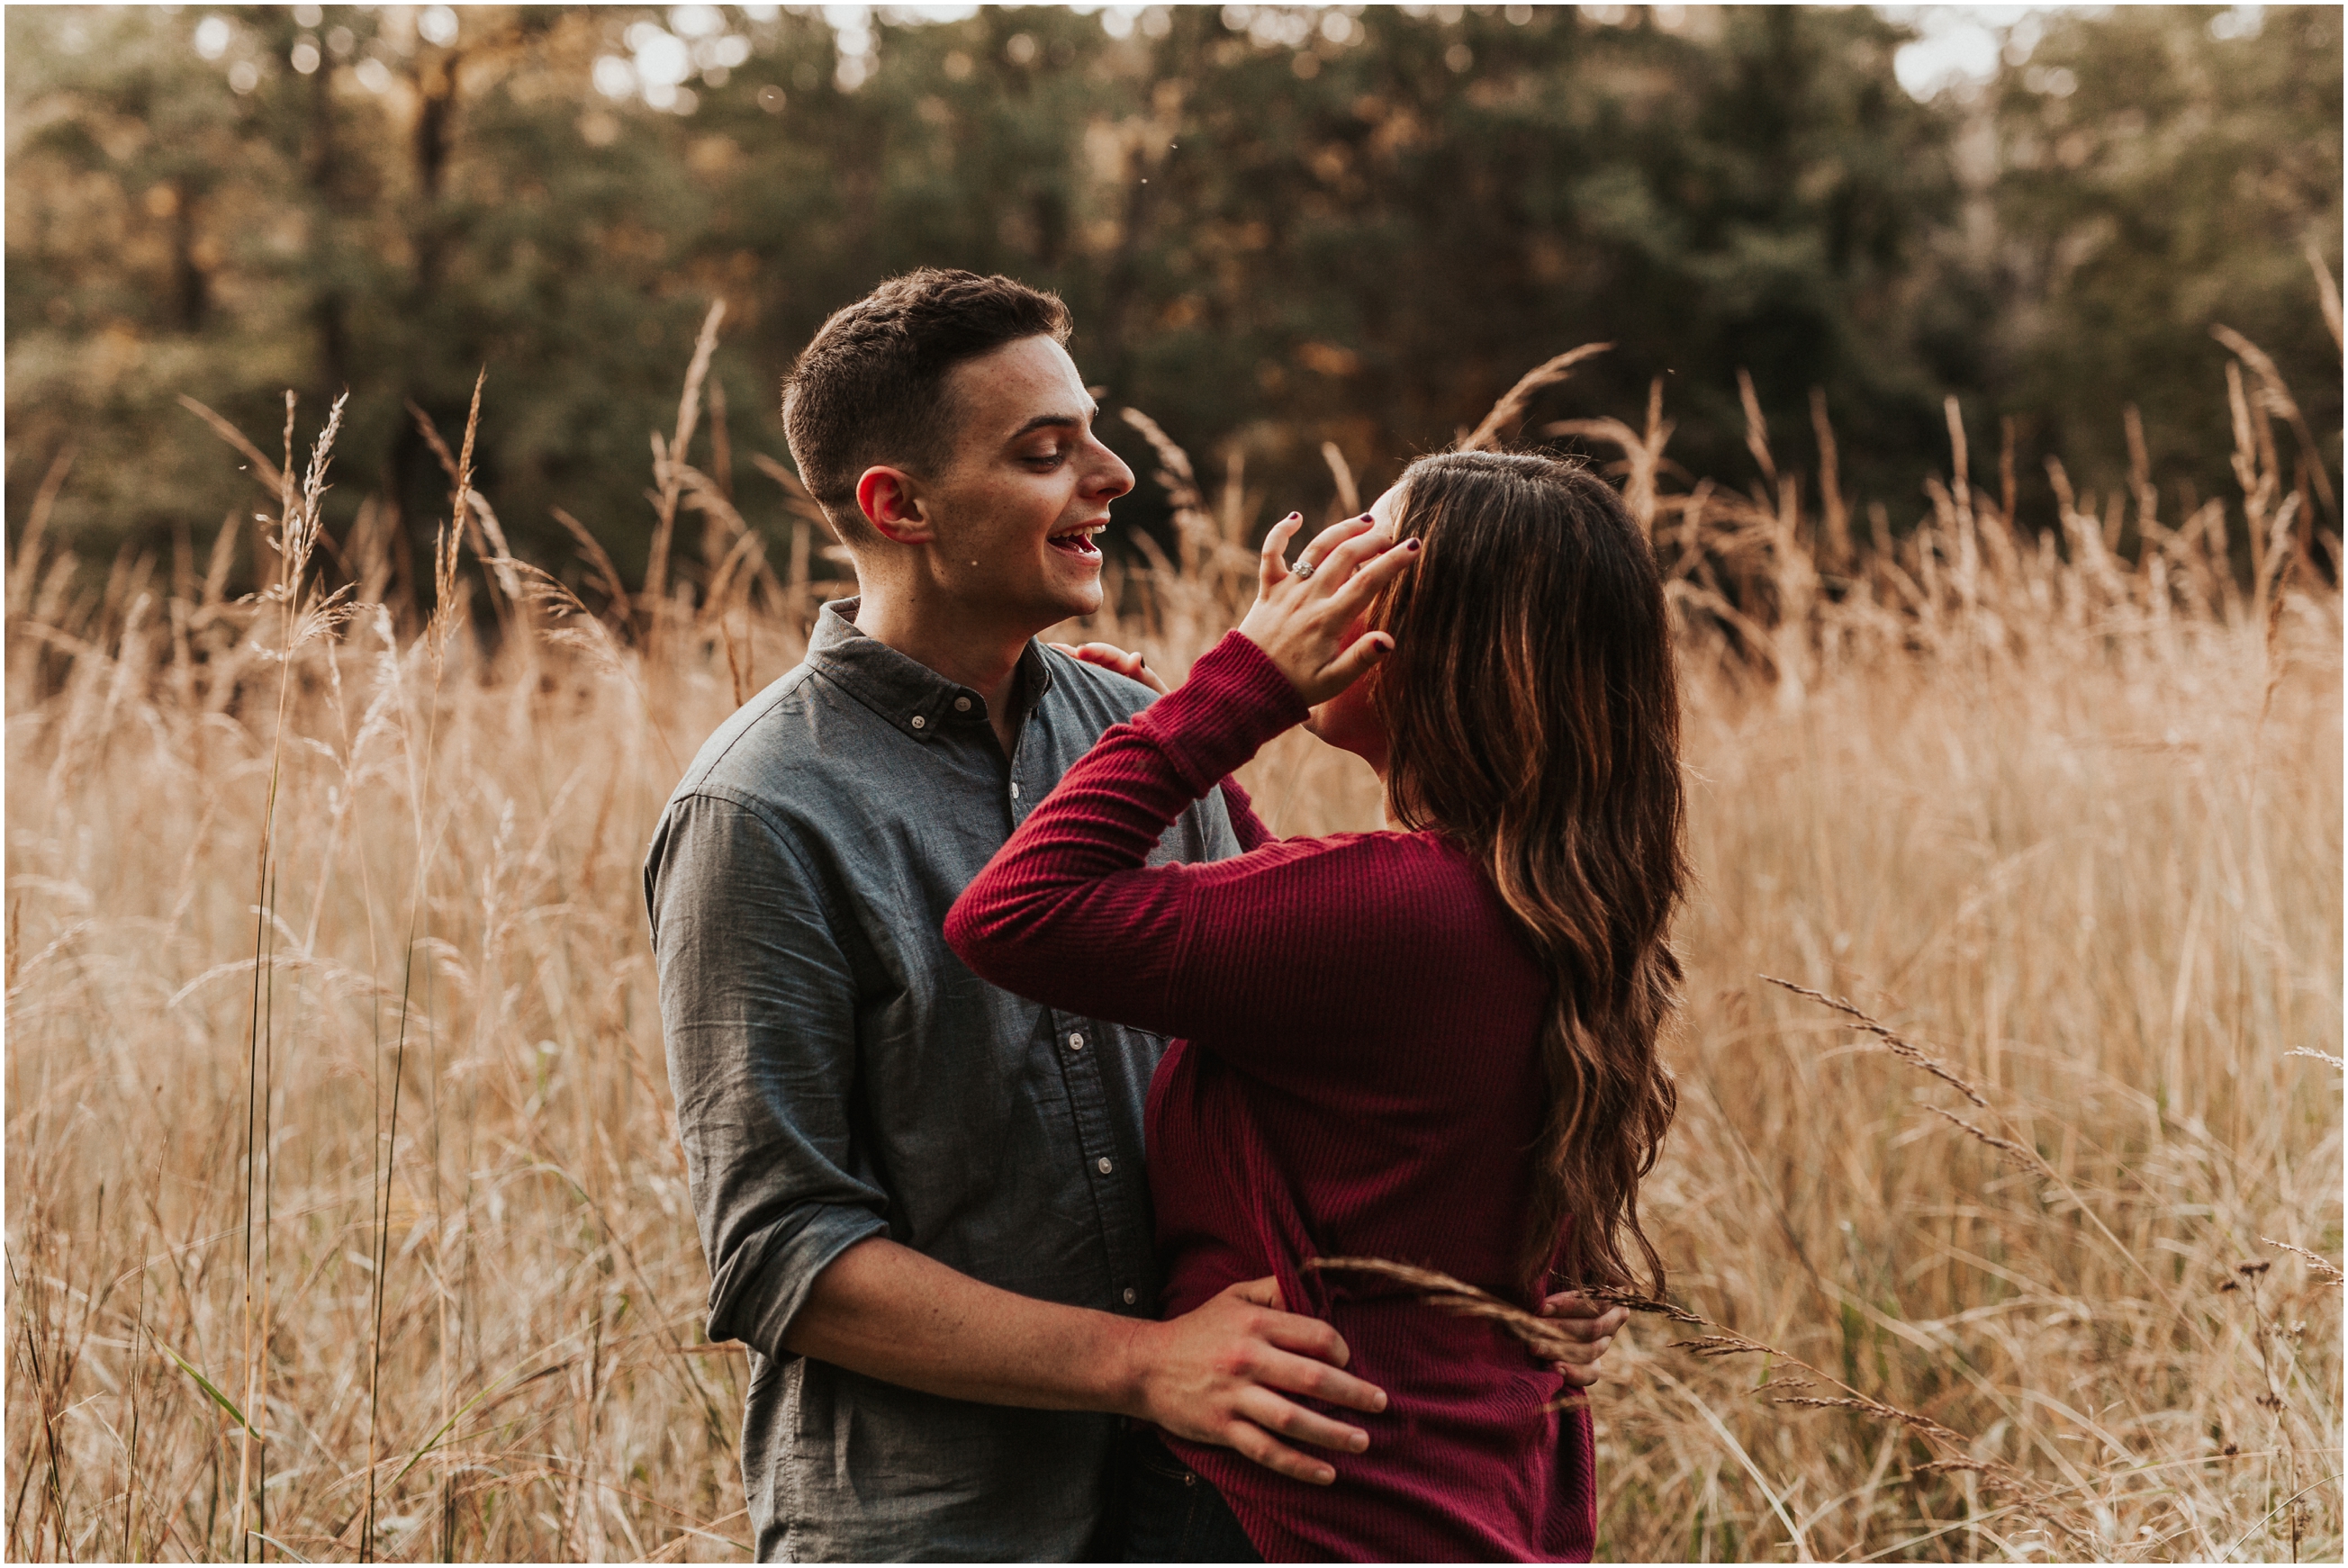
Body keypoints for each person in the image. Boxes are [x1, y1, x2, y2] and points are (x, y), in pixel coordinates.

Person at [646, 268, 1626, 1562]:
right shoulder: (762, 808)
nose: (1112, 475)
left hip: (1219, 1503)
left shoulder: (1135, 738)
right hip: (946, 1526)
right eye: (1048, 451)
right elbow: (781, 1251)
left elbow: (1326, 1034)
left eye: (1097, 432)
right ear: (900, 505)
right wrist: (1145, 1364)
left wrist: (1491, 1259)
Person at [945, 450, 1688, 1562]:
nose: (1306, 593)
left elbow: (1010, 915)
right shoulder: (1551, 897)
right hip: (1467, 1503)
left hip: (1298, 1511)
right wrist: (1185, 746)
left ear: (1434, 643)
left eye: (1355, 566)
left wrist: (1226, 698)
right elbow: (1305, 964)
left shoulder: (1398, 914)